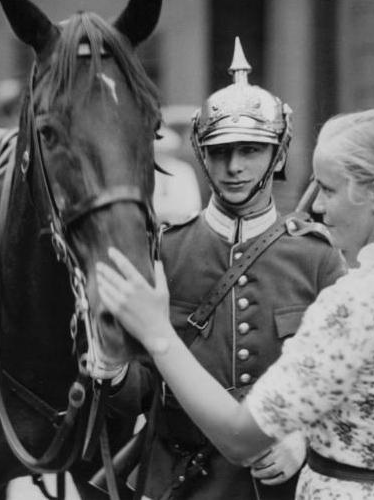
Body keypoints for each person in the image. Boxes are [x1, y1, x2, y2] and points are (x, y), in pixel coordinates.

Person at [97, 107, 374, 499]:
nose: (317, 206)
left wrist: (159, 335)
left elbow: (239, 437)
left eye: (329, 190)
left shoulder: (355, 302)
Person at [100, 37, 346, 500]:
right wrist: (111, 369)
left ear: (278, 153)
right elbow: (142, 388)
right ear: (202, 154)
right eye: (219, 151)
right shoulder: (166, 253)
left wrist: (304, 439)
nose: (234, 167)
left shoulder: (318, 257)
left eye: (251, 150)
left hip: (280, 482)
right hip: (183, 480)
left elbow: (345, 380)